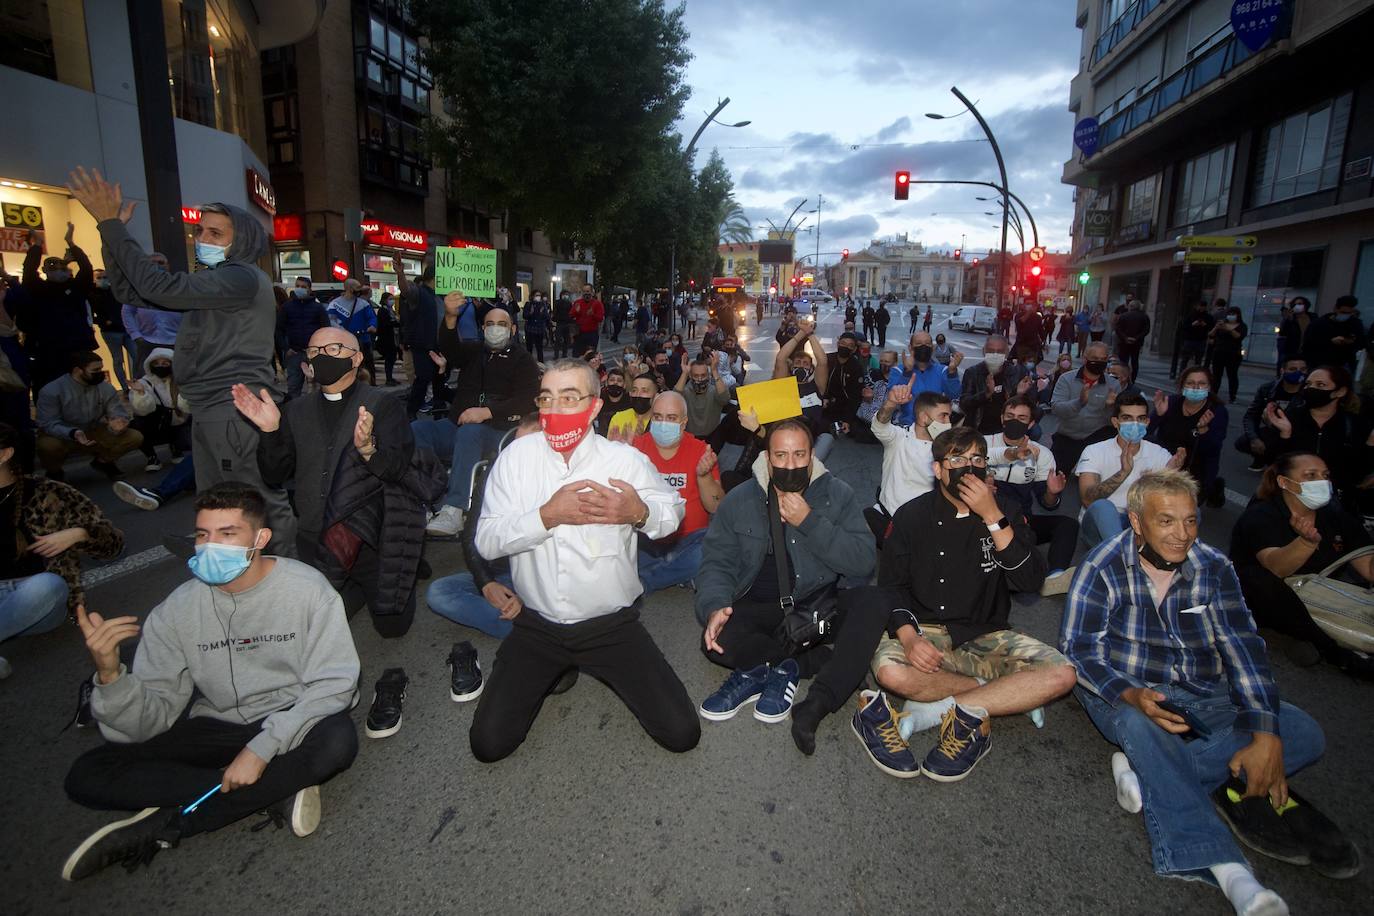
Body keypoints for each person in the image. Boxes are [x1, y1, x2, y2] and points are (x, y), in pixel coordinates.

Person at [1062, 470, 1349, 916]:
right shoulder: (1102, 566)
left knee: (1303, 731)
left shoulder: (1213, 566)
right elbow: (1078, 650)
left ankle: (1151, 772)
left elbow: (1244, 648)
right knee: (1140, 722)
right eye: (1167, 522)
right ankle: (1230, 871)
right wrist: (1131, 694)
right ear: (1137, 522)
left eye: (1191, 521)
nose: (1182, 535)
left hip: (1204, 692)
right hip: (1126, 694)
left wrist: (1266, 733)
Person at [60, 483, 360, 882]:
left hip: (293, 719)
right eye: (203, 535)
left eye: (227, 534)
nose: (209, 546)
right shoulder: (177, 610)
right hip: (218, 724)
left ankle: (173, 824)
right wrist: (111, 676)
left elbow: (334, 685)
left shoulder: (308, 590)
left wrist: (264, 747)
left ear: (260, 538)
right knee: (87, 773)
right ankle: (276, 788)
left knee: (338, 741)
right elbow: (149, 719)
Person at [469, 358, 698, 761]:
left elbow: (673, 513)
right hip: (536, 627)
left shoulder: (624, 461)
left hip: (612, 626)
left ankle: (576, 668)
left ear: (594, 407)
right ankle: (559, 669)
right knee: (488, 745)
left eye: (569, 398)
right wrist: (545, 517)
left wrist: (638, 513)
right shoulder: (515, 458)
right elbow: (486, 542)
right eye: (547, 398)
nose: (555, 410)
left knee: (682, 733)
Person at [69, 169, 295, 545]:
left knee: (255, 501)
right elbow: (131, 291)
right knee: (219, 505)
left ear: (242, 241)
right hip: (210, 407)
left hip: (233, 406)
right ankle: (232, 573)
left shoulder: (239, 277)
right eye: (200, 232)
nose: (202, 239)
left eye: (215, 233)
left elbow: (155, 285)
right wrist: (109, 234)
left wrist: (111, 224)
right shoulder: (217, 280)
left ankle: (286, 580)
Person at [866, 426, 1072, 781]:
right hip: (926, 631)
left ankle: (950, 704)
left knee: (1062, 674)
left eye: (977, 458)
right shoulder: (911, 516)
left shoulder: (1005, 511)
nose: (969, 466)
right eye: (957, 459)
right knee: (888, 671)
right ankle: (997, 696)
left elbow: (1030, 581)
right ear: (938, 470)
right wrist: (910, 637)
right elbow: (891, 587)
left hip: (986, 632)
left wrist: (993, 517)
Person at [237, 326, 423, 658]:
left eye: (335, 349)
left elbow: (396, 469)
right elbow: (275, 475)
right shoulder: (295, 410)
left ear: (357, 358)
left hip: (369, 538)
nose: (323, 357)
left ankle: (397, 572)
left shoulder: (383, 404)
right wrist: (270, 432)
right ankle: (342, 588)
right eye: (315, 351)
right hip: (316, 536)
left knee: (393, 628)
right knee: (311, 627)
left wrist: (368, 450)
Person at [697, 419, 880, 755]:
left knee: (874, 601)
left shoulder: (837, 494)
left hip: (815, 607)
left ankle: (772, 674)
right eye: (781, 455)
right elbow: (716, 562)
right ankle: (799, 664)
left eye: (799, 455)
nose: (791, 464)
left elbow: (863, 562)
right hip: (755, 606)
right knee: (715, 641)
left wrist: (809, 521)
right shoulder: (740, 500)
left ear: (812, 456)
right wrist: (714, 607)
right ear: (768, 458)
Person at [0, 422, 123, 678]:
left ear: (5, 454)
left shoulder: (47, 492)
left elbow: (113, 545)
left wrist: (80, 533)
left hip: (36, 600)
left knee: (49, 585)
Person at [415, 302, 541, 537]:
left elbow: (528, 398)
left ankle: (456, 509)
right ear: (482, 328)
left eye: (502, 325)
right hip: (457, 425)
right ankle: (427, 498)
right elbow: (451, 348)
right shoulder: (474, 352)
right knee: (417, 430)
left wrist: (487, 412)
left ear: (512, 329)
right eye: (490, 324)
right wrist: (450, 318)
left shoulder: (523, 360)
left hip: (498, 431)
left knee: (470, 432)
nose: (495, 329)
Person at [427, 414, 543, 645]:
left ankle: (534, 628)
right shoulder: (498, 469)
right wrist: (486, 583)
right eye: (514, 445)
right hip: (502, 573)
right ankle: (535, 632)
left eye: (525, 447)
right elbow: (472, 533)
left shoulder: (558, 480)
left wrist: (526, 597)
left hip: (544, 580)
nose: (514, 454)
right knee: (439, 593)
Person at [985, 396, 1078, 596]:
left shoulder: (1042, 454)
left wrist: (1052, 493)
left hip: (1022, 520)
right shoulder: (983, 443)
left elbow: (1047, 504)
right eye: (1010, 416)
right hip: (986, 518)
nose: (1014, 421)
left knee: (1067, 524)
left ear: (1032, 423)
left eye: (1021, 418)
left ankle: (1055, 577)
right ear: (1002, 418)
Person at [632, 392, 723, 594]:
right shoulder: (635, 448)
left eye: (671, 418)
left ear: (684, 422)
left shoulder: (701, 451)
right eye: (657, 416)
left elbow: (716, 506)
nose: (663, 423)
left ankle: (645, 580)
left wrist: (704, 476)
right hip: (646, 538)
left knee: (713, 546)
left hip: (690, 540)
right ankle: (677, 570)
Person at [1076, 394, 1186, 547]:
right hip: (1102, 524)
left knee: (1189, 512)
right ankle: (1126, 557)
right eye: (1127, 418)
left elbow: (1172, 502)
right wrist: (1123, 472)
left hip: (1141, 520)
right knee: (1104, 507)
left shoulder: (1160, 454)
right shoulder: (1094, 451)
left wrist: (1169, 474)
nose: (1135, 424)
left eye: (1140, 419)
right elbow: (1088, 500)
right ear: (1116, 422)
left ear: (1147, 422)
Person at [1259, 365, 1373, 508]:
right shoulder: (1289, 418)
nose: (1311, 389)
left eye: (1320, 385)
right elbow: (1271, 462)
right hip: (1289, 499)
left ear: (1340, 391)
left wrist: (1370, 445)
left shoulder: (1355, 425)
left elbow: (1358, 473)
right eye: (1308, 384)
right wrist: (1284, 434)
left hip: (1333, 504)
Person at [36, 352, 144, 482]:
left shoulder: (105, 388)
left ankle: (103, 462)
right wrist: (72, 433)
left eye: (101, 368)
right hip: (63, 434)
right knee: (48, 445)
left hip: (92, 430)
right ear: (78, 370)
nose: (101, 373)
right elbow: (47, 423)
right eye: (96, 370)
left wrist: (118, 422)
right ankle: (54, 472)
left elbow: (117, 411)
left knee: (134, 437)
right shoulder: (52, 391)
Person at [17, 223, 97, 397]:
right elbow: (29, 271)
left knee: (81, 386)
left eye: (62, 268)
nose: (59, 272)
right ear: (45, 271)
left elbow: (86, 269)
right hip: (47, 350)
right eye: (53, 269)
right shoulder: (38, 289)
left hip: (76, 347)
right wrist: (37, 245)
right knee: (47, 386)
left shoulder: (76, 288)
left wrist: (71, 243)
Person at [1149, 367, 1228, 505]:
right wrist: (1158, 415)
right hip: (1165, 463)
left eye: (1202, 383)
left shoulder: (1217, 411)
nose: (1196, 387)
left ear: (1209, 387)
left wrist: (1203, 430)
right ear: (1182, 385)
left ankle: (1213, 487)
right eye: (1190, 383)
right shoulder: (1171, 402)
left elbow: (1213, 450)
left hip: (1197, 469)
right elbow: (1145, 434)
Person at [1049, 341, 1121, 476]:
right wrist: (1080, 402)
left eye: (1103, 359)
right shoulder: (1066, 379)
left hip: (1096, 438)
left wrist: (1109, 407)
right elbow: (1057, 409)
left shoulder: (1113, 385)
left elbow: (1113, 422)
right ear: (1085, 358)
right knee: (1054, 478)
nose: (1099, 362)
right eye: (1095, 359)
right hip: (1068, 436)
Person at [1236, 357, 1307, 471]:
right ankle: (1262, 458)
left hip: (1298, 433)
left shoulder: (1309, 392)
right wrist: (1254, 438)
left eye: (1303, 369)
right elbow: (1251, 416)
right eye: (1293, 369)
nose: (1298, 373)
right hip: (1274, 431)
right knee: (1244, 442)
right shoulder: (1267, 389)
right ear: (1282, 371)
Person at [126, 348, 190, 472]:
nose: (160, 366)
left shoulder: (180, 380)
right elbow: (142, 410)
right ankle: (152, 457)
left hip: (178, 422)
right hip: (154, 423)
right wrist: (141, 392)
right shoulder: (143, 383)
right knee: (136, 425)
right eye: (156, 363)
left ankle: (176, 448)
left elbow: (187, 407)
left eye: (165, 363)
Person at [885, 331, 961, 427]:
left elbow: (954, 395)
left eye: (927, 344)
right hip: (907, 426)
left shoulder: (943, 370)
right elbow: (895, 397)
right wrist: (907, 372)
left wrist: (952, 373)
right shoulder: (898, 371)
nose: (923, 346)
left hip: (936, 426)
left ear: (932, 348)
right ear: (910, 348)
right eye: (919, 344)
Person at [959, 335, 1030, 434]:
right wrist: (986, 394)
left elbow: (1029, 407)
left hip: (1006, 428)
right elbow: (964, 403)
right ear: (984, 351)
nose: (995, 355)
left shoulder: (1016, 373)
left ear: (1006, 352)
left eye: (1000, 352)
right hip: (978, 427)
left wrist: (1019, 394)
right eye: (991, 351)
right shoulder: (973, 372)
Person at [278, 278, 330, 399]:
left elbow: (326, 329)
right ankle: (294, 414)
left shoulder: (318, 308)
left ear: (309, 289)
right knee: (293, 388)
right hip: (295, 353)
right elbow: (279, 329)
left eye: (303, 286)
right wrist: (286, 348)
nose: (300, 289)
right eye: (298, 286)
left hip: (313, 353)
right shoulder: (287, 307)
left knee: (317, 388)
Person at [90, 268, 137, 391]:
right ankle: (124, 387)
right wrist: (103, 322)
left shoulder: (115, 292)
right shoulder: (92, 294)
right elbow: (88, 315)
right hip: (110, 332)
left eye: (105, 277)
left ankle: (137, 383)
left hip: (125, 329)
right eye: (99, 277)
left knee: (136, 356)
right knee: (118, 360)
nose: (103, 280)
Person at [1303, 295, 1364, 373]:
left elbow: (1361, 342)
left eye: (1349, 313)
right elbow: (1309, 344)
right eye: (1343, 312)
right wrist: (1330, 342)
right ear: (1335, 308)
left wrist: (1348, 341)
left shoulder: (1355, 324)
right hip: (1320, 364)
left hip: (1344, 364)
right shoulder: (1319, 324)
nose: (1346, 315)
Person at [676, 354, 730, 442]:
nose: (700, 379)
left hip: (712, 435)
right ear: (690, 376)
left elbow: (725, 399)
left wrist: (714, 371)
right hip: (689, 437)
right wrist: (684, 373)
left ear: (708, 375)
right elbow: (674, 399)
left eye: (703, 375)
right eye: (696, 376)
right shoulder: (685, 391)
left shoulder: (714, 391)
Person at [1206, 305, 1248, 403]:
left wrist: (1229, 329)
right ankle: (1213, 395)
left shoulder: (1242, 326)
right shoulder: (1222, 324)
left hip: (1234, 354)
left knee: (1232, 375)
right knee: (1216, 375)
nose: (1231, 316)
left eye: (1233, 314)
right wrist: (1216, 327)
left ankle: (1232, 396)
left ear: (1238, 315)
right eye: (1229, 314)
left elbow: (1238, 336)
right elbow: (1211, 335)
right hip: (1219, 352)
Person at [607, 373, 659, 443]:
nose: (638, 395)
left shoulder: (660, 423)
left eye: (644, 391)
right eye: (634, 390)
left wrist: (641, 441)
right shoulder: (618, 417)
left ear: (656, 396)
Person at [1172, 300, 1214, 379]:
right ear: (1197, 306)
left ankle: (1195, 376)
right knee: (1185, 359)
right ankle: (1182, 376)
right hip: (1190, 340)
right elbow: (1184, 327)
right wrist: (1192, 324)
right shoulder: (1191, 315)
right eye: (1200, 306)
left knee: (1198, 360)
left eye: (1203, 306)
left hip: (1201, 340)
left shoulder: (1208, 317)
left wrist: (1205, 325)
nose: (1201, 308)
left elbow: (1211, 328)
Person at [1114, 298, 1151, 379]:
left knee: (1123, 361)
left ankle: (1122, 377)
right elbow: (1146, 330)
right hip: (1136, 343)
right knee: (1135, 361)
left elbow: (1118, 329)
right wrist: (1136, 338)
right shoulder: (1144, 317)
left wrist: (1125, 338)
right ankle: (1133, 378)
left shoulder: (1124, 316)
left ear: (1130, 307)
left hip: (1124, 342)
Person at [1276, 296, 1313, 369]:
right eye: (1296, 304)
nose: (1298, 306)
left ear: (1305, 305)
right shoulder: (1291, 319)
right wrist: (1288, 319)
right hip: (1292, 350)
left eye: (1300, 304)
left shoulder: (1312, 317)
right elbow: (1282, 333)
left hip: (1307, 351)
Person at [594, 366, 629, 436]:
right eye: (612, 380)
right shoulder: (599, 399)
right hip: (603, 441)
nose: (615, 382)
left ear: (624, 385)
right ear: (606, 383)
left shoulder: (630, 400)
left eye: (619, 381)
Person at [373, 292, 399, 386]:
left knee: (392, 358)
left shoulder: (390, 310)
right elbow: (385, 324)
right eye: (390, 299)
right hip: (386, 338)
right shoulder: (382, 311)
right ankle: (389, 378)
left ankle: (390, 377)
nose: (392, 301)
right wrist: (395, 323)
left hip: (393, 337)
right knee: (389, 359)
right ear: (384, 300)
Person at [570, 284, 604, 354]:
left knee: (590, 356)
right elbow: (571, 315)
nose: (586, 293)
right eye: (584, 291)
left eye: (588, 291)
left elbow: (600, 318)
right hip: (579, 334)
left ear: (592, 292)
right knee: (577, 356)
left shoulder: (597, 304)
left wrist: (593, 315)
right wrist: (576, 312)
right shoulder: (577, 302)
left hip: (591, 334)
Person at [523, 289, 550, 363]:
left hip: (539, 328)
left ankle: (541, 362)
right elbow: (525, 316)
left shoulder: (543, 304)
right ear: (532, 296)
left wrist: (542, 313)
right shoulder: (528, 304)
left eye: (539, 295)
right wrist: (530, 313)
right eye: (536, 295)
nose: (538, 297)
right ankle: (528, 362)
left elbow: (547, 316)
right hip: (530, 328)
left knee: (539, 347)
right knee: (529, 347)